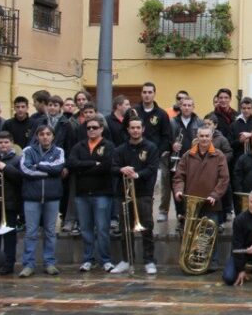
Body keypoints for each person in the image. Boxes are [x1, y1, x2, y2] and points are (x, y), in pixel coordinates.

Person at [172, 125, 230, 271]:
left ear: (211, 138)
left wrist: (215, 195)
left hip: (211, 203)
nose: (204, 139)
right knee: (191, 234)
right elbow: (179, 177)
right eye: (201, 136)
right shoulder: (187, 155)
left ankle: (212, 261)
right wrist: (178, 191)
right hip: (191, 202)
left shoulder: (219, 155)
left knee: (210, 235)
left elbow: (224, 179)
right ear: (197, 138)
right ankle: (190, 261)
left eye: (207, 136)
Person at [67, 115, 117, 273]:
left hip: (102, 193)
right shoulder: (79, 146)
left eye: (94, 127)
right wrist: (91, 164)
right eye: (88, 128)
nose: (91, 130)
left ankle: (105, 260)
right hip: (82, 194)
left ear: (101, 129)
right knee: (86, 229)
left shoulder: (108, 145)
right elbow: (72, 164)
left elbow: (107, 166)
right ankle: (88, 259)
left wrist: (84, 169)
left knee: (102, 228)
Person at [111, 117, 160, 275]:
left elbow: (152, 168)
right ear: (128, 130)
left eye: (138, 127)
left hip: (143, 193)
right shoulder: (120, 149)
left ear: (143, 129)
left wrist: (137, 175)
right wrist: (121, 170)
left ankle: (149, 260)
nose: (135, 130)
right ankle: (126, 260)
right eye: (132, 128)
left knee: (146, 227)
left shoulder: (151, 147)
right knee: (125, 229)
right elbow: (112, 167)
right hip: (124, 194)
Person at [18, 125, 65, 277]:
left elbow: (58, 168)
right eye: (42, 134)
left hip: (52, 197)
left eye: (48, 134)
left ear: (53, 136)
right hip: (32, 198)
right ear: (37, 136)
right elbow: (26, 170)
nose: (45, 137)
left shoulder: (59, 151)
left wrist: (38, 165)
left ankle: (50, 263)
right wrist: (48, 172)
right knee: (31, 232)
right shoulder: (27, 151)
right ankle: (28, 265)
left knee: (51, 232)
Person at [136, 83, 173, 222]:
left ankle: (154, 215)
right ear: (141, 93)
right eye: (144, 92)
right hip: (135, 155)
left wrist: (157, 153)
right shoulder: (134, 112)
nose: (147, 95)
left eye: (150, 92)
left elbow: (166, 136)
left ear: (154, 94)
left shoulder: (161, 114)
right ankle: (137, 216)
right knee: (136, 186)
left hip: (155, 157)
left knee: (156, 187)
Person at [0, 131, 21, 274]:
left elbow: (20, 179)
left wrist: (5, 168)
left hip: (10, 204)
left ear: (11, 143)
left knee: (9, 236)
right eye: (0, 143)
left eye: (6, 142)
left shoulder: (18, 159)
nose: (3, 145)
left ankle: (8, 264)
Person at [230, 97, 252, 162]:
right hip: (238, 160)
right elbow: (230, 144)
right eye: (244, 108)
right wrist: (240, 141)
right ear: (240, 109)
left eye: (248, 108)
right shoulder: (233, 125)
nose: (246, 110)